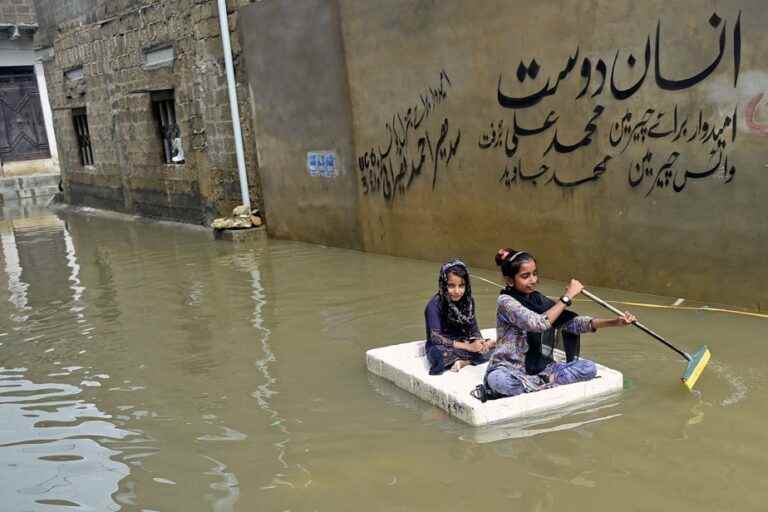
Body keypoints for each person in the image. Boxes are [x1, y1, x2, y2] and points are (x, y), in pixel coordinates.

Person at [482, 248, 636, 397]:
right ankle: (543, 382)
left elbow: (573, 324)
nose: (533, 280)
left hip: (543, 369)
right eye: (525, 276)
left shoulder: (537, 299)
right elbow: (537, 324)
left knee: (588, 368)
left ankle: (536, 383)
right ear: (510, 280)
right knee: (499, 381)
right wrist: (567, 297)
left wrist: (615, 322)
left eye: (534, 274)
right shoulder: (505, 301)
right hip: (509, 369)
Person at [424, 259, 495, 375]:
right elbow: (435, 338)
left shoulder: (468, 302)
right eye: (451, 286)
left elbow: (474, 328)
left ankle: (463, 362)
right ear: (443, 284)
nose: (457, 291)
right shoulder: (434, 305)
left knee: (496, 348)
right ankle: (468, 359)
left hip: (462, 341)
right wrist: (469, 347)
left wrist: (479, 342)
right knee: (439, 356)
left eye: (461, 286)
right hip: (442, 345)